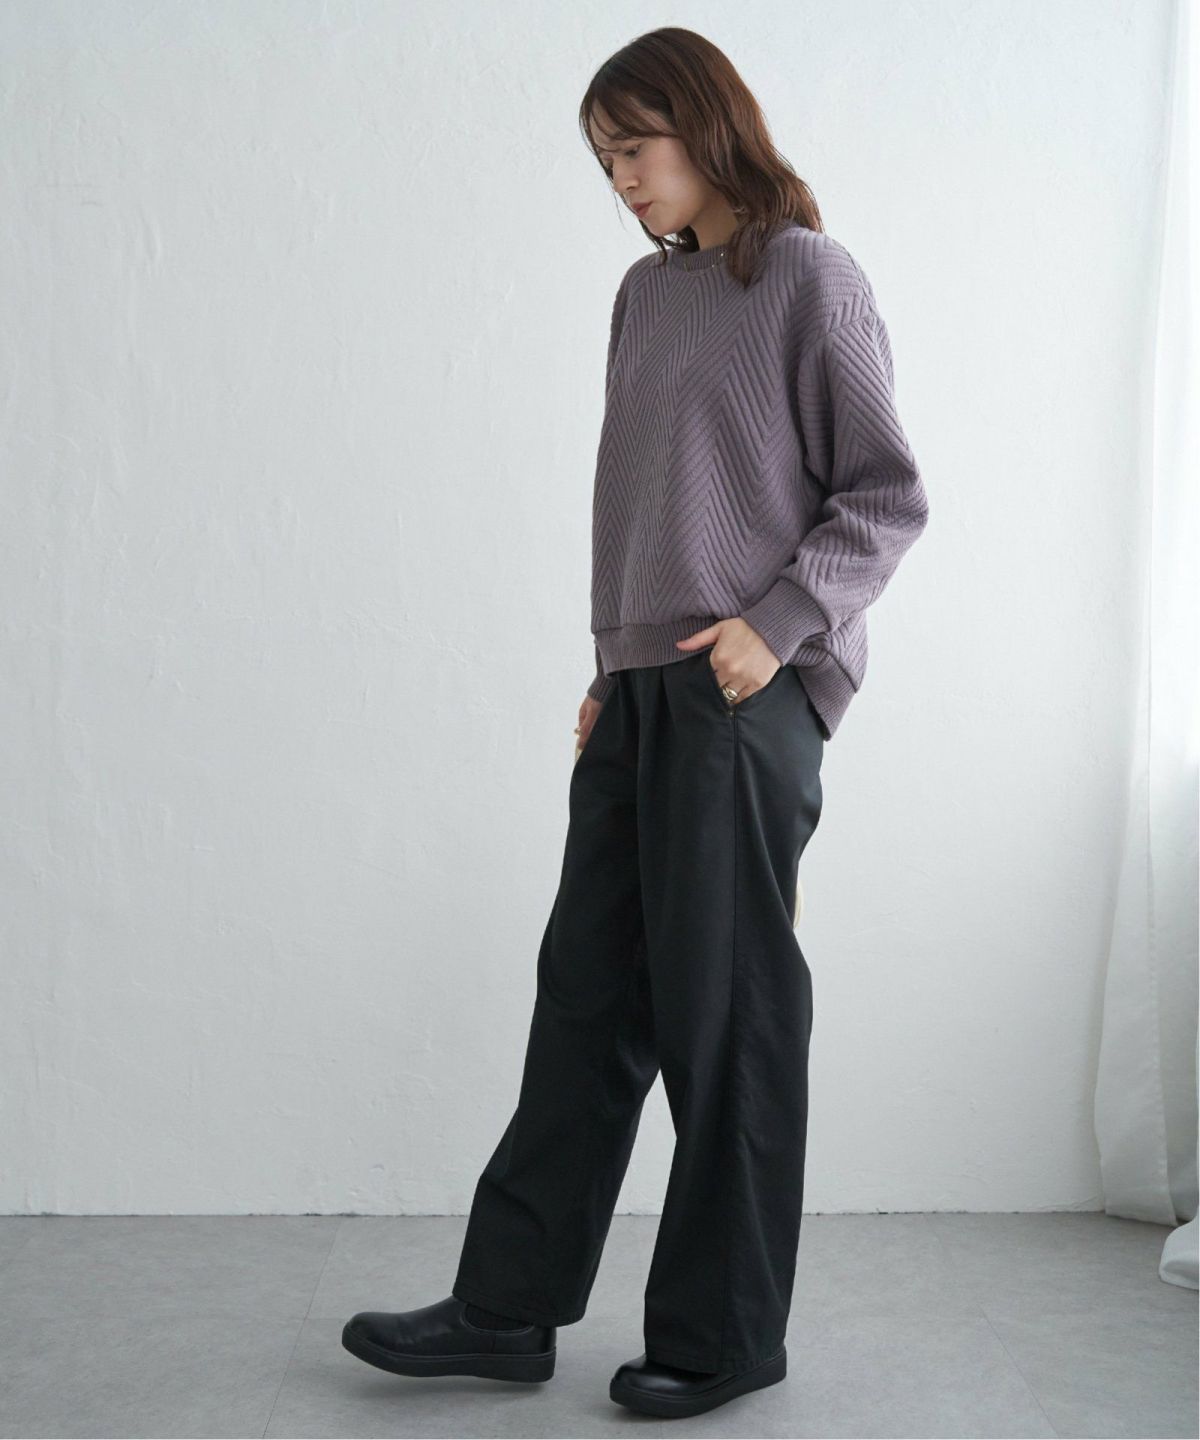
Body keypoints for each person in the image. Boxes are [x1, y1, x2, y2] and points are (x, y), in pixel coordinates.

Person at [343, 25, 929, 1421]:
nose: (619, 178)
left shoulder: (810, 277)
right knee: (589, 997)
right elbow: (640, 497)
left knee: (728, 1015)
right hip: (643, 688)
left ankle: (725, 1336)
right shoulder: (644, 297)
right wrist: (612, 665)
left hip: (741, 686)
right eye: (601, 158)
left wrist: (775, 626)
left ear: (708, 125)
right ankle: (506, 1310)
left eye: (635, 147)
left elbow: (885, 494)